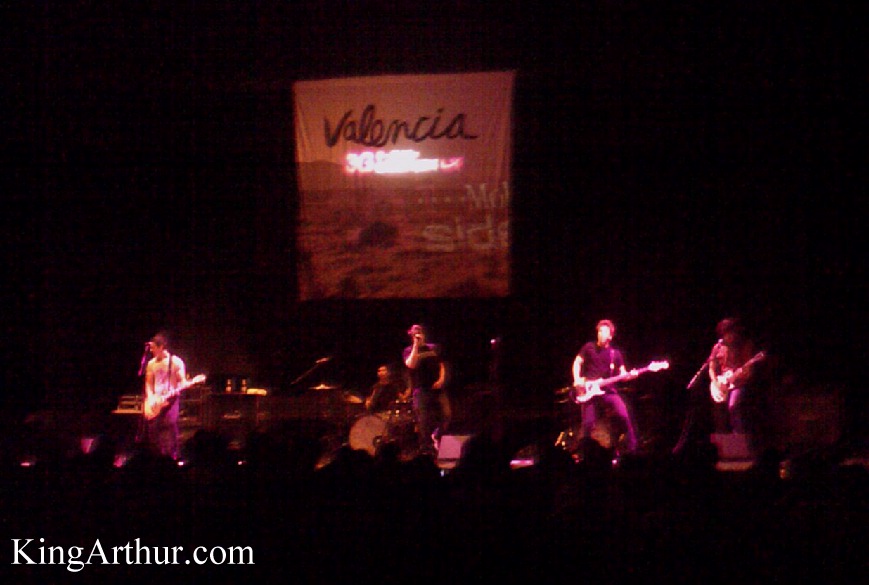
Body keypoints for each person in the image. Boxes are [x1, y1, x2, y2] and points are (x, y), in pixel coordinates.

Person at [571, 319, 639, 456]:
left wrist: (632, 375)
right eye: (599, 331)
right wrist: (577, 379)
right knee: (588, 423)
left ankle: (633, 449)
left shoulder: (615, 354)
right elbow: (577, 362)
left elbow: (623, 375)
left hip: (608, 390)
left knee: (624, 415)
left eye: (604, 332)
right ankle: (585, 453)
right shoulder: (589, 347)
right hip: (589, 390)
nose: (600, 334)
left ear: (610, 336)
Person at [708, 317, 766, 440]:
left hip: (739, 383)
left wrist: (741, 373)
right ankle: (723, 439)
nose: (728, 336)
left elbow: (749, 371)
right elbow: (711, 367)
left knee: (734, 406)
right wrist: (716, 383)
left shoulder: (745, 345)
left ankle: (739, 438)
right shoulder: (718, 347)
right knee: (719, 414)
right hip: (721, 383)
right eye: (725, 334)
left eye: (731, 333)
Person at [403, 324, 450, 457]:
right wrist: (416, 345)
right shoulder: (408, 350)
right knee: (423, 420)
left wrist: (441, 379)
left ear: (423, 333)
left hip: (437, 388)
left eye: (419, 330)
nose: (417, 332)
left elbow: (441, 365)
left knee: (446, 415)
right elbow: (411, 364)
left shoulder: (434, 347)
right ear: (411, 334)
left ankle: (436, 435)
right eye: (414, 331)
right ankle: (426, 449)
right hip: (421, 390)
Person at [141, 332, 187, 460]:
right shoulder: (151, 364)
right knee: (152, 432)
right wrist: (151, 399)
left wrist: (178, 388)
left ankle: (172, 457)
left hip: (170, 400)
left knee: (169, 428)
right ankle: (154, 459)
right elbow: (148, 384)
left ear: (161, 347)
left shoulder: (176, 362)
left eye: (153, 348)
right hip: (155, 401)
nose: (151, 350)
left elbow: (182, 382)